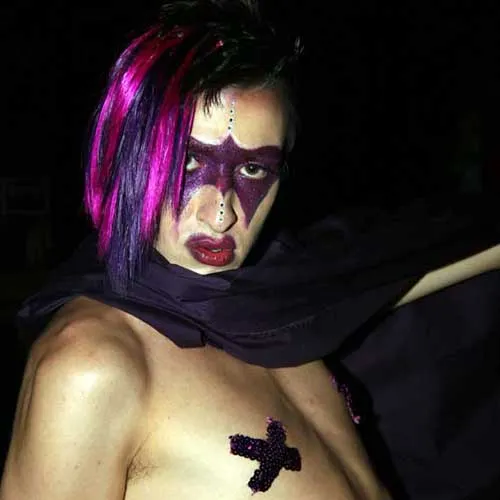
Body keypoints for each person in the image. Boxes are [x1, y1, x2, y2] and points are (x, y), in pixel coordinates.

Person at [1, 1, 499, 499]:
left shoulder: (288, 302)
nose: (221, 213)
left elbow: (424, 259)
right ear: (132, 158)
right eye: (190, 163)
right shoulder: (91, 365)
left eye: (253, 170)